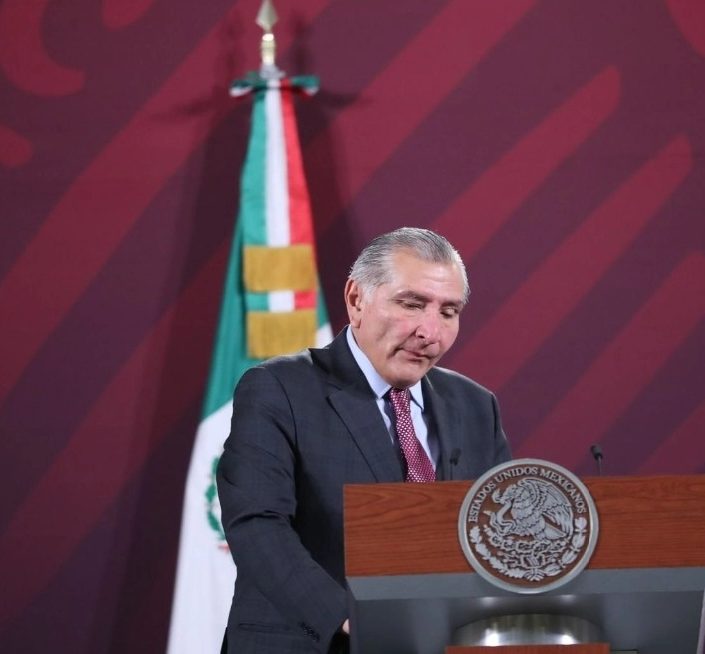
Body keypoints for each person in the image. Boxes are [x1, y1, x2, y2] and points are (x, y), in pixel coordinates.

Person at [217, 227, 512, 653]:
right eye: (412, 304)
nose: (431, 331)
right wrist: (355, 618)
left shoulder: (475, 406)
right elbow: (257, 525)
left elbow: (495, 537)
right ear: (357, 300)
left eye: (448, 312)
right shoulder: (279, 389)